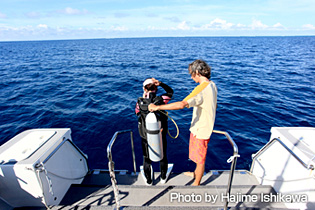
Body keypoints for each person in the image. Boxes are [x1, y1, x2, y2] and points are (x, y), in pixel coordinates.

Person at [149, 59, 217, 186]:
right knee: (197, 155)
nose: (191, 77)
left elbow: (181, 104)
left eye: (191, 74)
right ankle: (196, 173)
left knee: (200, 159)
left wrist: (157, 107)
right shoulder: (211, 84)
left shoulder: (200, 89)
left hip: (201, 130)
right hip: (205, 125)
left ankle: (196, 182)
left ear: (197, 72)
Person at [135, 77, 173, 185]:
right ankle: (163, 177)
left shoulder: (140, 102)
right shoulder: (162, 100)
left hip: (145, 135)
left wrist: (144, 98)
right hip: (160, 134)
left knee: (146, 158)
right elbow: (170, 92)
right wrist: (160, 83)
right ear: (156, 88)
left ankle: (149, 180)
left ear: (144, 89)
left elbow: (137, 113)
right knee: (163, 155)